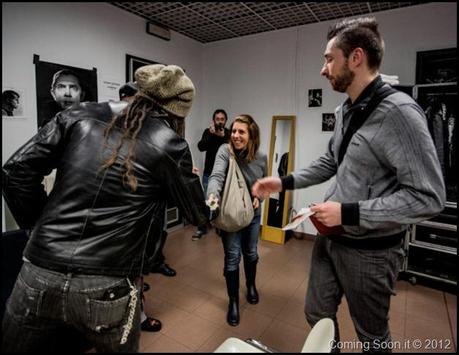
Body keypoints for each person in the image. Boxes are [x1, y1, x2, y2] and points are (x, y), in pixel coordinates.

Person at [252, 17, 445, 352]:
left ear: (356, 58)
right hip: (330, 241)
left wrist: (348, 213)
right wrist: (283, 182)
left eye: (329, 58)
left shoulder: (400, 113)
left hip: (372, 253)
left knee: (371, 337)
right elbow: (331, 162)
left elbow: (429, 198)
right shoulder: (346, 110)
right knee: (316, 314)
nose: (323, 69)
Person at [1, 64, 208, 352]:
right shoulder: (170, 143)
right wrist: (193, 187)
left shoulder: (81, 112)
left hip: (39, 271)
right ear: (177, 110)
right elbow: (197, 214)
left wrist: (38, 227)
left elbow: (15, 172)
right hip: (107, 282)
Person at [206, 114, 267, 326]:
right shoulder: (225, 151)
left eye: (241, 132)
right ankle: (233, 301)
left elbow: (263, 184)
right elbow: (216, 177)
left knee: (251, 252)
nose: (236, 135)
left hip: (252, 213)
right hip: (231, 212)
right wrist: (212, 197)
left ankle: (250, 285)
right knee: (232, 257)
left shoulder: (260, 157)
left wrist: (258, 197)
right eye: (234, 131)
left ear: (251, 135)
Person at [192, 109, 230, 241]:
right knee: (208, 201)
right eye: (217, 119)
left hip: (224, 174)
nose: (220, 121)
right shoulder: (208, 132)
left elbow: (231, 149)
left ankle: (219, 226)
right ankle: (202, 227)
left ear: (225, 120)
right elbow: (200, 147)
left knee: (221, 202)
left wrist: (221, 136)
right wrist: (211, 135)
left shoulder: (228, 133)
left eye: (222, 119)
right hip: (209, 173)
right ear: (213, 120)